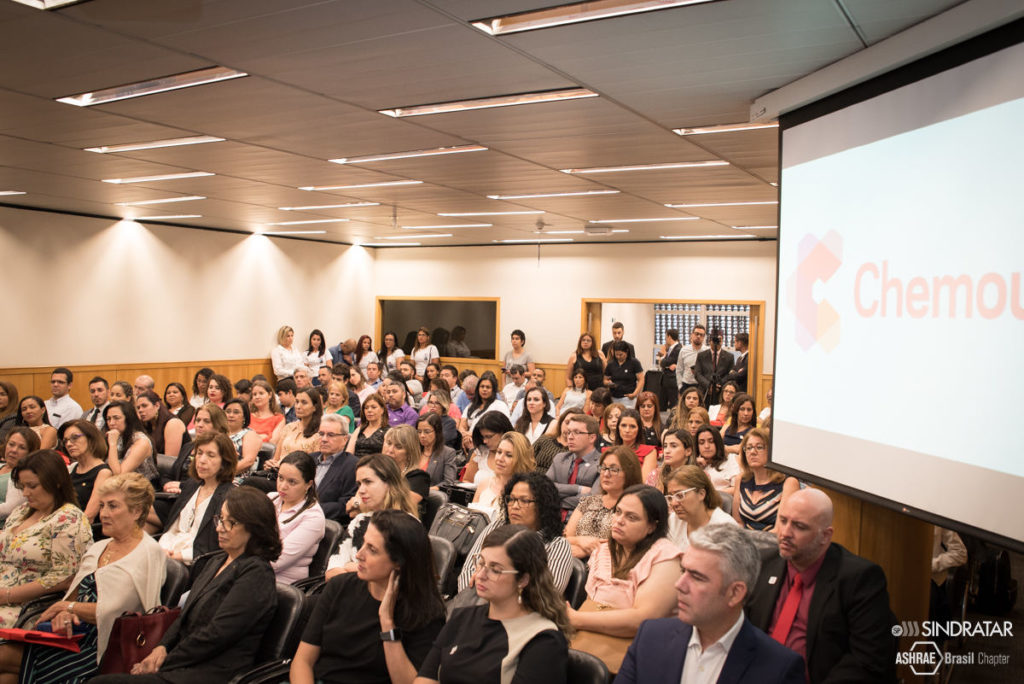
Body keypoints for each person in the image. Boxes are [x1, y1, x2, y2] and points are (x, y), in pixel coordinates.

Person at [90, 487, 281, 683]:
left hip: (211, 672)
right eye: (220, 519)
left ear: (254, 527)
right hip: (183, 661)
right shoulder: (217, 560)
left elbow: (217, 636)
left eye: (230, 523)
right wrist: (161, 648)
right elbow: (184, 616)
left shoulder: (257, 574)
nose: (219, 528)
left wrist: (163, 662)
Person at [1, 473, 167, 684]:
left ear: (136, 511)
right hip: (73, 635)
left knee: (4, 658)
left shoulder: (148, 553)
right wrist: (65, 613)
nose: (104, 514)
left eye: (113, 506)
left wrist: (67, 608)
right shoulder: (99, 547)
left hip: (106, 646)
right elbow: (74, 597)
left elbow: (114, 611)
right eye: (102, 505)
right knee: (6, 674)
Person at [615, 524, 806, 684]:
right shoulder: (650, 637)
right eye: (684, 571)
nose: (679, 585)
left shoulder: (779, 669)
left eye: (697, 577)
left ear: (735, 593)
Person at [746, 488, 898, 684]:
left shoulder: (859, 579)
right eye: (783, 521)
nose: (785, 533)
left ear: (825, 536)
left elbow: (866, 662)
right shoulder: (764, 563)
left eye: (799, 526)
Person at [291, 510, 446, 684]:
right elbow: (303, 662)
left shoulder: (426, 613)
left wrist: (387, 623)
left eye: (372, 549)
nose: (358, 555)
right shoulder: (340, 586)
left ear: (399, 562)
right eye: (364, 543)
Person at [417, 525, 571, 684]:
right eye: (481, 563)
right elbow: (425, 677)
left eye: (495, 570)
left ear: (523, 580)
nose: (481, 575)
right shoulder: (461, 617)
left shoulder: (543, 641)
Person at [567, 486, 681, 648]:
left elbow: (643, 620)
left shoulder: (666, 557)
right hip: (592, 640)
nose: (619, 520)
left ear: (652, 526)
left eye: (632, 517)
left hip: (641, 648)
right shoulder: (603, 550)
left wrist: (576, 619)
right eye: (618, 512)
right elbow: (593, 604)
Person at [0, 450, 93, 627]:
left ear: (56, 483)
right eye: (23, 486)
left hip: (29, 606)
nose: (25, 493)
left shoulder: (68, 518)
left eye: (32, 486)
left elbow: (64, 578)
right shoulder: (20, 512)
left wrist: (7, 595)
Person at [460, 473, 574, 595]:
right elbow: (468, 571)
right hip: (476, 604)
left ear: (543, 506)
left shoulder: (557, 545)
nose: (514, 506)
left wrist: (494, 594)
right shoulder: (497, 526)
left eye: (524, 501)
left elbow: (547, 594)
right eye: (512, 499)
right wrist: (473, 596)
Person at [326, 454, 418, 578]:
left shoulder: (408, 527)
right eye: (359, 484)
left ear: (390, 483)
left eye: (368, 482)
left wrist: (350, 567)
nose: (361, 490)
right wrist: (360, 570)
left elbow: (393, 579)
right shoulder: (360, 520)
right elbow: (330, 573)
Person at [159, 432, 236, 564]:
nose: (201, 460)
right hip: (166, 553)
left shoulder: (229, 496)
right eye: (199, 453)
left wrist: (177, 556)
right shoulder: (191, 485)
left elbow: (214, 546)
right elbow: (172, 528)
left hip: (195, 563)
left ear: (224, 462)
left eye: (210, 455)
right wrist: (161, 549)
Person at [565, 446, 642, 560]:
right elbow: (567, 537)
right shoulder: (589, 501)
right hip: (575, 560)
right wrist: (580, 541)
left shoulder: (635, 506)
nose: (606, 474)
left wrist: (592, 551)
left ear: (629, 473)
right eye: (603, 468)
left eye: (613, 469)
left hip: (611, 564)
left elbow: (630, 546)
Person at [269, 451, 325, 583]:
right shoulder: (271, 499)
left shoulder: (313, 517)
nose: (283, 486)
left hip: (280, 586)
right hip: (252, 573)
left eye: (292, 482)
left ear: (309, 484)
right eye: (280, 478)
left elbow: (276, 561)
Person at [731, 428, 799, 531]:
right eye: (748, 448)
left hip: (773, 543)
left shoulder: (788, 483)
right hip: (744, 542)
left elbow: (780, 530)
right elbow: (738, 522)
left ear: (771, 451)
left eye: (759, 447)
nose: (753, 452)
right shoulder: (741, 479)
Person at [663, 465, 737, 551]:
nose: (674, 503)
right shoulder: (673, 521)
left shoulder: (726, 529)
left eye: (680, 495)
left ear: (701, 494)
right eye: (670, 497)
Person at [304, 413, 359, 523]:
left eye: (330, 435)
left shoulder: (352, 465)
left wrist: (308, 510)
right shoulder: (309, 459)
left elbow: (345, 504)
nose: (324, 439)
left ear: (344, 439)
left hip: (323, 522)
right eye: (321, 434)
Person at [547, 414, 602, 518]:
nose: (570, 437)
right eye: (569, 432)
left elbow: (592, 500)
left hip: (582, 522)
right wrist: (578, 489)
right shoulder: (560, 458)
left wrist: (555, 500)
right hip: (552, 519)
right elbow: (544, 488)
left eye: (576, 432)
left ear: (592, 437)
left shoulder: (602, 462)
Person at [471, 432, 534, 518]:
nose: (500, 459)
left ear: (521, 460)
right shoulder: (484, 484)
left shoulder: (526, 493)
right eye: (499, 452)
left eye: (509, 455)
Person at [63, 420, 112, 523]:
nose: (68, 444)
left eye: (75, 438)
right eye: (65, 441)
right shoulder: (71, 469)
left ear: (91, 438)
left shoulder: (103, 472)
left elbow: (89, 516)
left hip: (85, 530)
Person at [103, 401, 158, 484]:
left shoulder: (142, 442)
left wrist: (112, 444)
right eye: (108, 419)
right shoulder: (117, 436)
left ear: (128, 419)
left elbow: (119, 475)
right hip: (116, 487)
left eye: (116, 418)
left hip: (139, 490)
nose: (111, 423)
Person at [267, 387, 322, 467]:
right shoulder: (289, 427)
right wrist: (270, 464)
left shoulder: (320, 432)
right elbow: (276, 459)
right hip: (278, 472)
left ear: (314, 407)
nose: (298, 406)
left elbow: (316, 465)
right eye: (296, 402)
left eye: (304, 402)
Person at [382, 425, 430, 512]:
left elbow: (399, 508)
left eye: (398, 447)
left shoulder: (419, 477)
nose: (390, 450)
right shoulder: (376, 471)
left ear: (409, 453)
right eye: (389, 443)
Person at [461, 412, 513, 485]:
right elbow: (467, 481)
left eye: (489, 436)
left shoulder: (517, 453)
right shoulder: (480, 452)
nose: (484, 441)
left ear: (503, 432)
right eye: (483, 437)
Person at [0, 428, 39, 520]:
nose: (14, 450)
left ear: (30, 452)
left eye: (22, 447)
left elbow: (10, 509)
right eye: (11, 444)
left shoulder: (22, 475)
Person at [135, 391, 187, 458]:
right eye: (138, 408)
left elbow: (169, 461)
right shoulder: (148, 424)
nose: (140, 410)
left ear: (157, 405)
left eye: (144, 406)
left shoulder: (173, 423)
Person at [613, 409, 657, 482]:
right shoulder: (609, 452)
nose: (627, 430)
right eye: (623, 425)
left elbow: (645, 483)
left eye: (632, 426)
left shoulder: (649, 452)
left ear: (639, 429)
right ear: (618, 428)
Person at [459, 371, 508, 435]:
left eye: (488, 387)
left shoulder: (500, 405)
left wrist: (472, 435)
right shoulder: (471, 405)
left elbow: (503, 429)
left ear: (493, 390)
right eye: (482, 386)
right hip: (468, 439)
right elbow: (462, 425)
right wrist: (464, 434)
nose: (484, 389)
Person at [694, 328, 735, 406]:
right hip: (704, 391)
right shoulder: (702, 355)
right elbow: (697, 374)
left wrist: (718, 385)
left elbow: (730, 375)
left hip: (721, 392)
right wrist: (708, 386)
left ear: (722, 341)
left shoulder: (729, 357)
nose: (717, 342)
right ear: (709, 341)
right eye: (714, 339)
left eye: (720, 339)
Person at [416, 414, 458, 488]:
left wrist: (425, 491)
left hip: (431, 496)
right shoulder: (413, 450)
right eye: (419, 432)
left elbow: (448, 482)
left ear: (437, 432)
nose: (422, 435)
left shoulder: (448, 453)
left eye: (427, 431)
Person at [223, 398, 261, 478]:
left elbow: (248, 462)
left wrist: (223, 474)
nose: (231, 415)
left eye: (236, 412)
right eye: (228, 411)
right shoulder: (219, 433)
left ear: (244, 417)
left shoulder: (249, 434)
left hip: (237, 478)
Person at [694, 424, 738, 493]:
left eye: (711, 441)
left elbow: (737, 488)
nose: (706, 446)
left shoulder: (731, 459)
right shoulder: (694, 464)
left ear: (717, 442)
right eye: (701, 442)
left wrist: (714, 495)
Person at [347, 392, 390, 457]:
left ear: (382, 410)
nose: (369, 410)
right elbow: (348, 454)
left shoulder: (388, 431)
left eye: (373, 407)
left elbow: (385, 458)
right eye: (366, 408)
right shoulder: (359, 429)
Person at [603, 341, 644, 409]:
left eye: (621, 354)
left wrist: (635, 393)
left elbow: (641, 379)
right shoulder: (611, 364)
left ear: (626, 351)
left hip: (628, 397)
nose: (618, 357)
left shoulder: (634, 362)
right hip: (614, 397)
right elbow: (605, 380)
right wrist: (609, 383)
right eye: (616, 354)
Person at [248, 379, 284, 444]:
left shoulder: (279, 418)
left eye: (261, 393)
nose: (257, 397)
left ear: (270, 395)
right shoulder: (248, 416)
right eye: (254, 394)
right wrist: (264, 437)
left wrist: (253, 437)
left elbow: (273, 442)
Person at [675, 324, 706, 396]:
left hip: (701, 386)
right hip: (686, 385)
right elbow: (679, 370)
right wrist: (680, 387)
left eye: (701, 335)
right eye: (696, 334)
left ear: (704, 337)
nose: (698, 336)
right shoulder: (684, 350)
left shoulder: (707, 351)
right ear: (692, 335)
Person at [655, 328, 681, 411]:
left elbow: (665, 362)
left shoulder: (678, 349)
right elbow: (664, 364)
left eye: (666, 337)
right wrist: (664, 362)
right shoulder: (670, 348)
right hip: (665, 381)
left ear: (669, 337)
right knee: (661, 406)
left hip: (672, 382)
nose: (665, 340)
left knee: (674, 406)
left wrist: (662, 357)